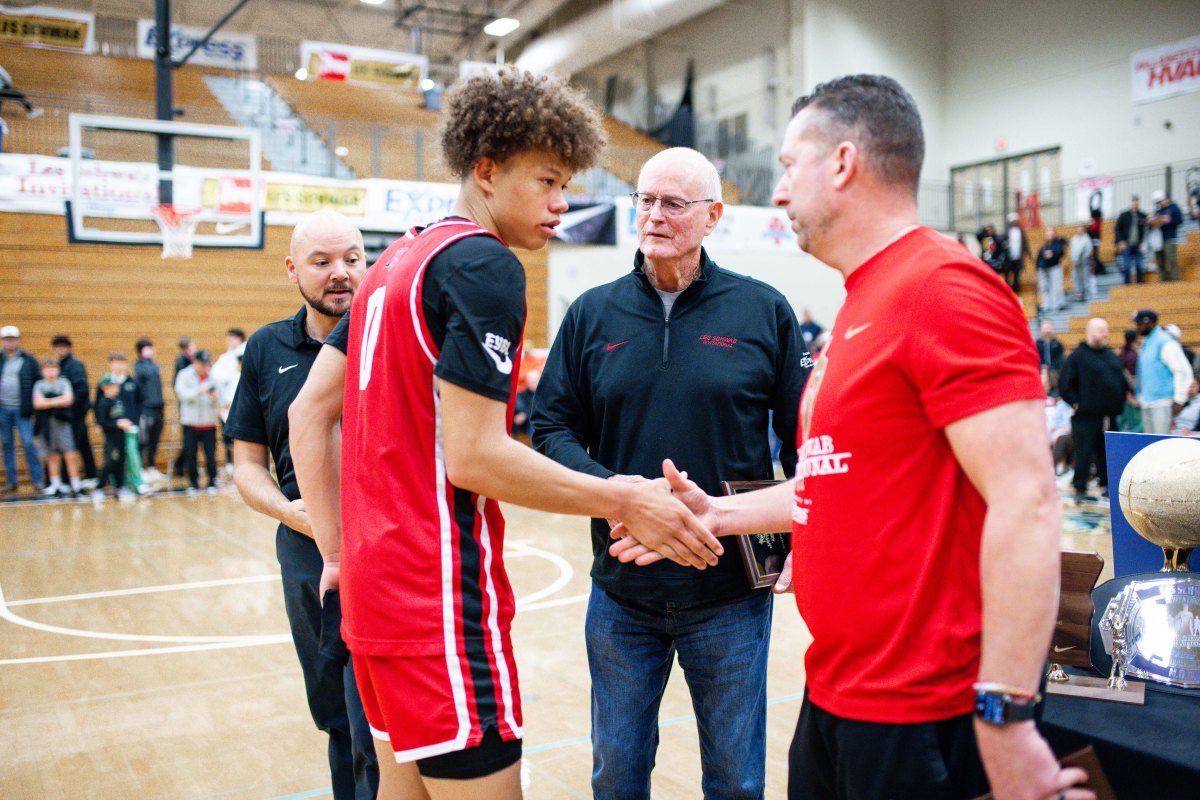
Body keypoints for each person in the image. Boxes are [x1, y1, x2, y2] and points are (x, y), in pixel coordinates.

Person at [613, 74, 1092, 800]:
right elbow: (840, 482)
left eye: (786, 166)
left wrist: (1007, 715)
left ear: (841, 163)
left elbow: (1027, 503)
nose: (777, 194)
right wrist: (718, 513)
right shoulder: (865, 300)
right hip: (840, 692)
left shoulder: (945, 290)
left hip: (924, 711)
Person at [288, 68, 719, 800]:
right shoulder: (483, 265)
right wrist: (626, 499)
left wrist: (335, 553)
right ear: (486, 171)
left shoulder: (396, 260)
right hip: (438, 606)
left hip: (372, 597)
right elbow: (477, 457)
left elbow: (307, 415)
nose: (561, 204)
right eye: (547, 181)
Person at [532, 146, 809, 800]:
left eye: (673, 204)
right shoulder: (591, 315)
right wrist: (616, 498)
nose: (654, 215)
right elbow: (550, 429)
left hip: (731, 594)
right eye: (644, 200)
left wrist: (803, 534)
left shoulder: (763, 310)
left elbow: (805, 437)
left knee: (737, 781)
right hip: (621, 592)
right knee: (617, 774)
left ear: (712, 216)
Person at [225, 210, 379, 800]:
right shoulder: (266, 348)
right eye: (322, 262)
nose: (340, 274)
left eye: (353, 258)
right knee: (335, 712)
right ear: (293, 270)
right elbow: (246, 466)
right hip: (306, 554)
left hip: (381, 547)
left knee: (378, 712)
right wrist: (291, 512)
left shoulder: (392, 337)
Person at [1058, 319, 1126, 505]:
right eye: (1102, 331)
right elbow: (1064, 384)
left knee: (1106, 453)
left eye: (1107, 330)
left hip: (1108, 416)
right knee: (1083, 453)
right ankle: (1080, 486)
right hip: (1085, 417)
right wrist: (1074, 402)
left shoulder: (1110, 355)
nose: (1106, 334)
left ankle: (1106, 485)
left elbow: (1120, 381)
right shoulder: (1077, 357)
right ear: (1091, 332)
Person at [1132, 309, 1192, 435]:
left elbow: (1182, 371)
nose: (1137, 327)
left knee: (1161, 443)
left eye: (1139, 324)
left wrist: (1179, 399)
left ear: (1149, 323)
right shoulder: (1147, 343)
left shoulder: (1165, 342)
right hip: (1147, 402)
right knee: (1149, 444)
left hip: (1162, 403)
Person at [1, 325, 43, 493]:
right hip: (2, 409)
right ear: (3, 342)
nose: (10, 343)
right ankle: (12, 481)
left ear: (18, 341)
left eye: (13, 339)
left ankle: (37, 480)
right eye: (6, 340)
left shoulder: (28, 359)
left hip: (22, 410)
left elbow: (38, 382)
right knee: (6, 444)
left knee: (28, 443)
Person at [33, 357, 82, 497]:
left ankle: (75, 484)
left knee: (70, 455)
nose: (51, 372)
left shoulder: (64, 382)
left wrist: (47, 401)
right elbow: (37, 404)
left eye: (53, 368)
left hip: (63, 424)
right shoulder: (39, 385)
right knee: (52, 456)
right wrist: (57, 400)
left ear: (58, 370)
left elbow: (69, 400)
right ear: (42, 371)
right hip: (46, 425)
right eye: (47, 369)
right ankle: (55, 484)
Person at [52, 334, 97, 486]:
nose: (60, 349)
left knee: (71, 446)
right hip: (71, 412)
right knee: (84, 444)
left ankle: (67, 479)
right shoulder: (61, 365)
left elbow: (82, 390)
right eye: (58, 347)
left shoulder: (74, 365)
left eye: (63, 347)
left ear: (68, 348)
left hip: (76, 412)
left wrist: (71, 407)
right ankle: (91, 474)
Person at [174, 349, 220, 494]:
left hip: (209, 423)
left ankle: (212, 481)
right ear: (195, 362)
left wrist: (215, 397)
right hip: (190, 423)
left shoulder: (213, 376)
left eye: (206, 364)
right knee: (190, 454)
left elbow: (222, 399)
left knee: (210, 454)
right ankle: (193, 483)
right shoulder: (184, 375)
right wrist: (198, 390)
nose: (204, 366)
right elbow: (182, 394)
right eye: (202, 363)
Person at [94, 375, 136, 502]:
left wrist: (125, 422)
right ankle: (99, 487)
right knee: (110, 462)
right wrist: (117, 424)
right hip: (111, 438)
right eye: (113, 386)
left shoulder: (118, 400)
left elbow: (119, 416)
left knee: (120, 462)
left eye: (117, 386)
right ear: (105, 388)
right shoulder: (103, 402)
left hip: (121, 436)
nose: (116, 388)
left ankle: (119, 488)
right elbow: (103, 423)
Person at [212, 327, 246, 474]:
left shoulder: (247, 353)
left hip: (243, 405)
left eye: (233, 337)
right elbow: (216, 378)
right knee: (228, 436)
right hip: (227, 405)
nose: (230, 340)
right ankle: (231, 465)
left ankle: (244, 466)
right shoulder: (225, 358)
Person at [134, 338, 166, 481]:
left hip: (158, 407)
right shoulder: (140, 366)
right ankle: (140, 469)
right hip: (146, 409)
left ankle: (152, 467)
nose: (149, 351)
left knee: (154, 440)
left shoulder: (154, 365)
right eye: (146, 348)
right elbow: (145, 377)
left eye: (150, 348)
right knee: (143, 441)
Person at [1147, 190, 1183, 282]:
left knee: (1171, 260)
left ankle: (1176, 281)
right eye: (1158, 202)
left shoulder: (1174, 207)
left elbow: (1179, 221)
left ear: (1165, 199)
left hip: (1169, 238)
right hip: (1158, 240)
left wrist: (1170, 220)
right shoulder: (1157, 210)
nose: (1160, 204)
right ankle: (1163, 282)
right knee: (1160, 262)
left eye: (1160, 201)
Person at [1114, 196, 1147, 284]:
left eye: (1136, 203)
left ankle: (1140, 285)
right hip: (1127, 244)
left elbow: (1145, 231)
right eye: (1133, 202)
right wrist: (1120, 241)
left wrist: (1143, 244)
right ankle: (1127, 286)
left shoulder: (1142, 216)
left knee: (1139, 265)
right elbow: (1117, 228)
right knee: (1126, 266)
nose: (1135, 204)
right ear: (1131, 203)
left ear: (1138, 203)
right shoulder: (1124, 215)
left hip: (1138, 245)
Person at [1035, 225, 1066, 311]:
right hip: (1043, 270)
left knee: (1056, 287)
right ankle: (1046, 305)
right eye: (1048, 232)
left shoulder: (1058, 243)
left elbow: (1061, 253)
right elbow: (1038, 260)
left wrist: (1053, 254)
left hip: (1054, 268)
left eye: (1051, 231)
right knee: (1044, 288)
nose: (1049, 233)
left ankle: (1056, 304)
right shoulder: (1044, 246)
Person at [1001, 212, 1029, 293]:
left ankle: (1016, 291)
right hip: (1008, 258)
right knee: (1007, 275)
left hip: (1018, 258)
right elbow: (1002, 243)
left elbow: (1025, 243)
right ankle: (1007, 292)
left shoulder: (1021, 231)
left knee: (1017, 275)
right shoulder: (1006, 232)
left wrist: (1027, 253)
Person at [1068, 223, 1096, 301]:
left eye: (1080, 228)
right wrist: (1073, 258)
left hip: (1084, 263)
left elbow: (1089, 250)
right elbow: (1072, 250)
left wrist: (1083, 258)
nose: (1079, 230)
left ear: (1083, 229)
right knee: (1075, 278)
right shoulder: (1074, 238)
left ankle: (1086, 294)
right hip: (1075, 262)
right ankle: (1078, 294)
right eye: (1078, 228)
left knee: (1085, 278)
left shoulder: (1087, 239)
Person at [510, 368, 539, 440]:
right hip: (526, 425)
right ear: (527, 382)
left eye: (536, 381)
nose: (534, 384)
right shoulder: (521, 395)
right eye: (532, 382)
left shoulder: (544, 396)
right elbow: (519, 409)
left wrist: (526, 414)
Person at [1036, 320, 1064, 388]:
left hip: (1054, 371)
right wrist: (1042, 367)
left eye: (1049, 328)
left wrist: (1050, 367)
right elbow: (1035, 359)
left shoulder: (1057, 344)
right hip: (1040, 372)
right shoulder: (1037, 344)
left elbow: (1060, 359)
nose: (1047, 331)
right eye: (1045, 328)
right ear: (1041, 330)